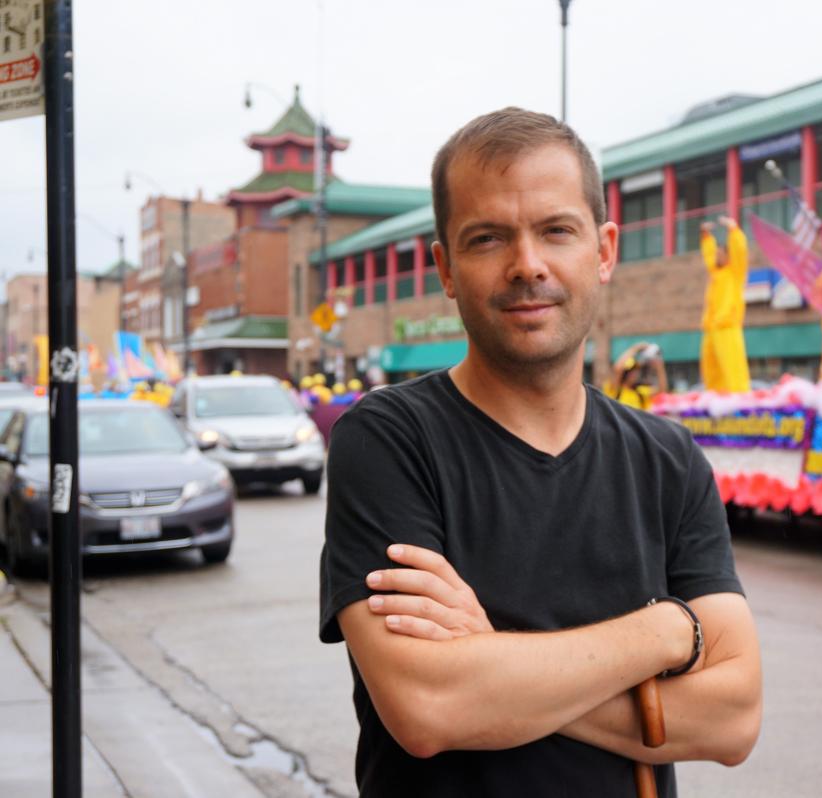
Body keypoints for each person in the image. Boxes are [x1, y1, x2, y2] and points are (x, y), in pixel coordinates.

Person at [320, 107, 762, 798]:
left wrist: (492, 663)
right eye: (488, 238)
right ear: (444, 267)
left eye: (557, 230)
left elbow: (734, 719)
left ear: (604, 249)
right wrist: (670, 629)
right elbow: (429, 709)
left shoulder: (667, 459)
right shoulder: (388, 440)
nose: (527, 265)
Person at [699, 216, 750, 393]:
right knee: (711, 370)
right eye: (717, 253)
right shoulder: (715, 273)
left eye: (721, 253)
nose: (717, 256)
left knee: (733, 368)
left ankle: (739, 401)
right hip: (711, 327)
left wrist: (733, 230)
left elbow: (740, 250)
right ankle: (715, 399)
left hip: (728, 326)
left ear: (728, 256)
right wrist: (706, 235)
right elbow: (708, 254)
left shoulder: (735, 271)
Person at [605, 341, 668, 410]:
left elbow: (662, 389)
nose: (635, 374)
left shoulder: (640, 392)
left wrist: (659, 367)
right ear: (625, 373)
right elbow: (617, 369)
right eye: (631, 371)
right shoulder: (615, 389)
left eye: (636, 371)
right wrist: (636, 348)